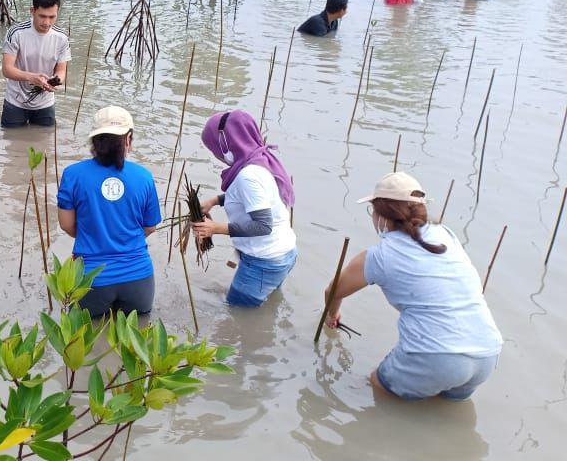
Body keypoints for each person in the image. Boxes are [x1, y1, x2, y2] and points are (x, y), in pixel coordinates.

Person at [324, 172, 502, 400]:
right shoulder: (445, 234)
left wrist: (332, 314)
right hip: (486, 353)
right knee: (441, 411)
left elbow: (332, 291)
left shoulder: (380, 256)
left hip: (436, 356)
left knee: (377, 386)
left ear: (379, 214)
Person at [57, 106, 161, 318]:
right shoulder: (144, 176)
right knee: (135, 342)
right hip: (138, 278)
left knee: (88, 343)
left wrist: (94, 234)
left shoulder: (73, 174)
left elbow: (67, 225)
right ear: (128, 139)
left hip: (90, 279)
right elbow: (150, 226)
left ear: (95, 141)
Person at [192, 110, 297, 307]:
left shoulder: (248, 176)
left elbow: (263, 225)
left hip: (264, 261)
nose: (215, 155)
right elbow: (249, 199)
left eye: (214, 149)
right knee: (266, 310)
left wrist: (215, 228)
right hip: (284, 253)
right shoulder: (259, 160)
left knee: (236, 314)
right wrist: (215, 200)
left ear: (226, 145)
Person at [1, 0, 70, 128]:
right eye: (42, 16)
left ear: (57, 13)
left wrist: (55, 81)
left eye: (52, 17)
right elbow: (7, 69)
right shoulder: (16, 33)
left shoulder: (62, 37)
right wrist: (32, 77)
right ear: (32, 11)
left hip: (45, 102)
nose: (47, 23)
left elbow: (62, 71)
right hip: (15, 100)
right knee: (12, 143)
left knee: (45, 143)